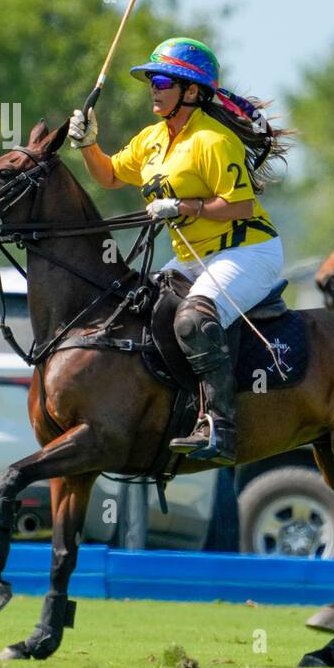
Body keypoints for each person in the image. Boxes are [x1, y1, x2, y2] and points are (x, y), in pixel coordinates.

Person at [67, 37, 289, 465]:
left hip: (247, 250)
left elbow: (240, 204)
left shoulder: (213, 139)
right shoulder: (152, 139)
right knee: (136, 312)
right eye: (151, 80)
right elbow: (111, 176)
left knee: (194, 318)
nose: (154, 88)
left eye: (164, 80)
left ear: (191, 91)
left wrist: (184, 206)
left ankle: (220, 428)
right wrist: (87, 145)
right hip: (193, 255)